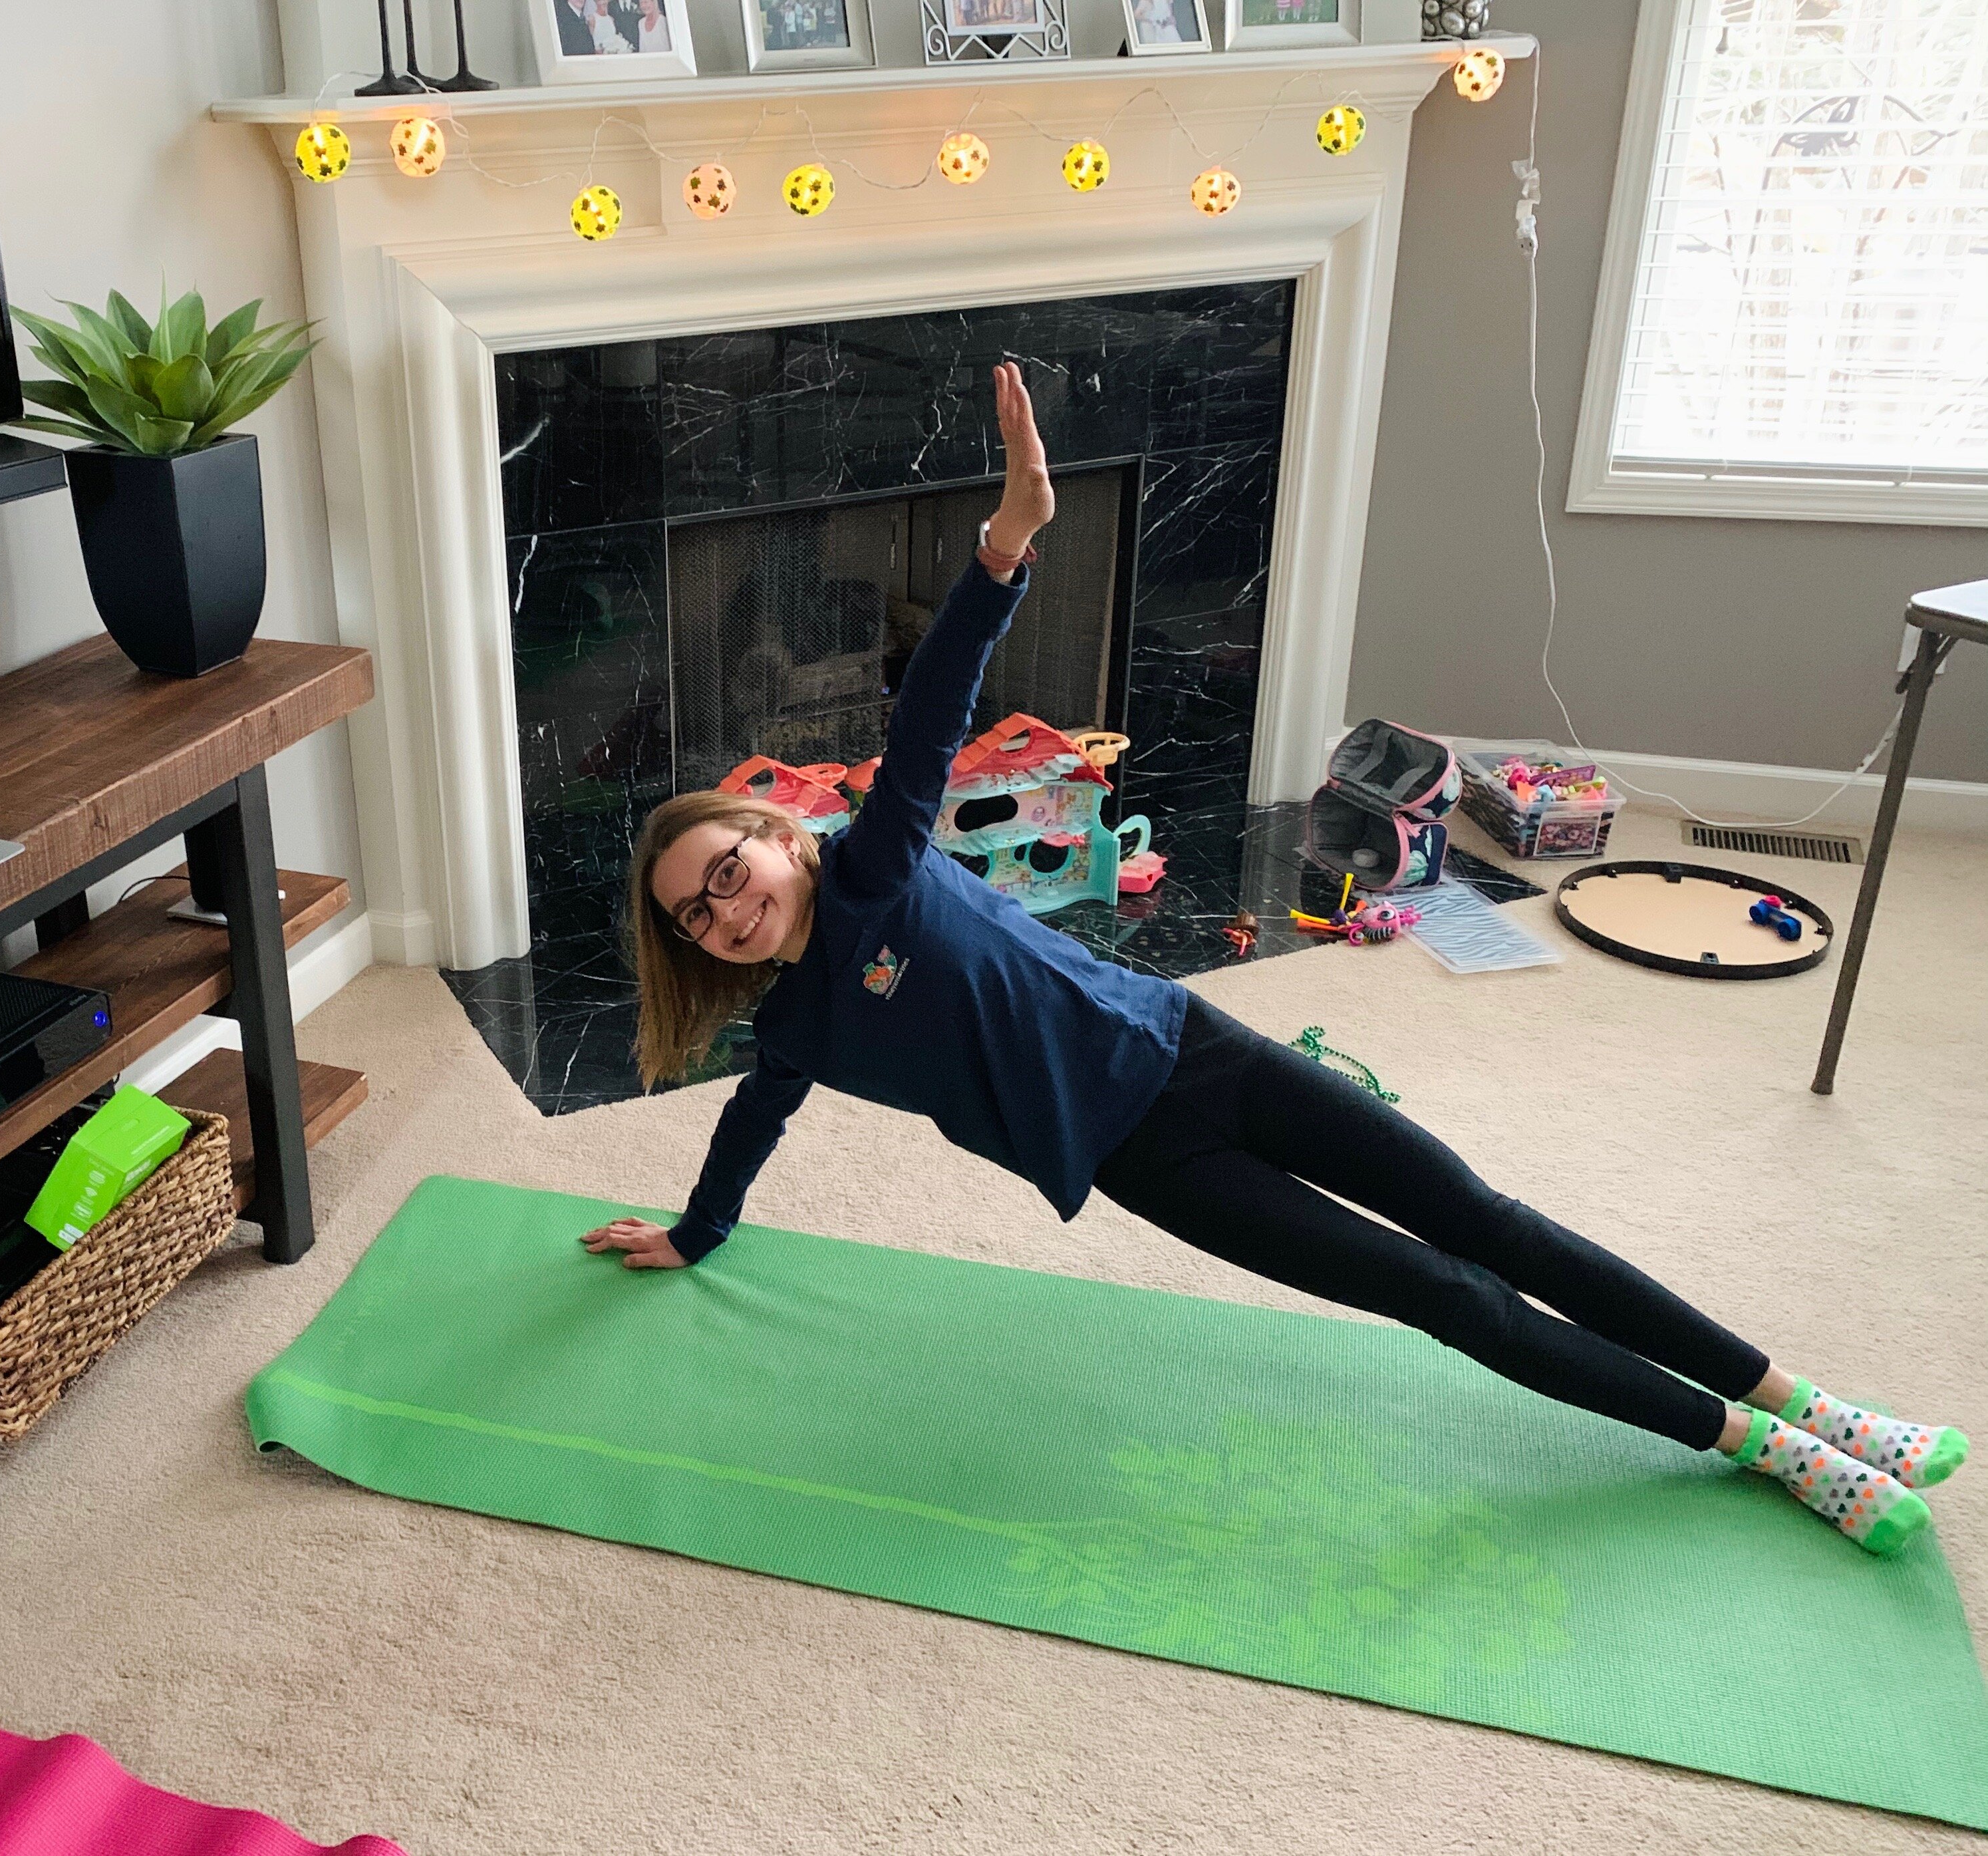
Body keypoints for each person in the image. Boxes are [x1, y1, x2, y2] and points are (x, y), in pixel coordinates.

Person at [582, 361, 1967, 1559]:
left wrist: (1004, 546)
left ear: (773, 838)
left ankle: (1796, 1394)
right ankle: (1752, 1443)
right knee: (1438, 1292)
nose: (721, 910)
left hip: (1203, 1053)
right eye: (695, 919)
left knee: (1490, 1221)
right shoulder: (800, 1030)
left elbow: (937, 699)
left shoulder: (877, 860)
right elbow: (755, 1120)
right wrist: (696, 1233)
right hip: (1146, 1162)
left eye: (724, 873)